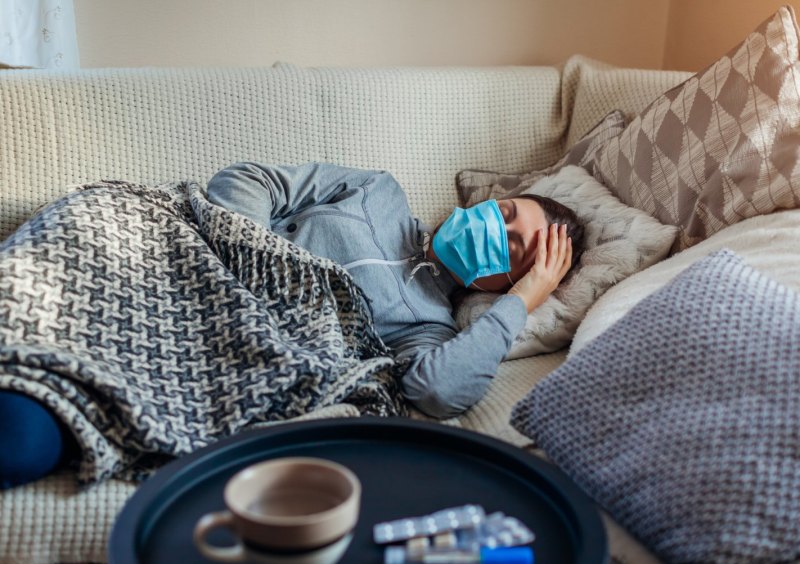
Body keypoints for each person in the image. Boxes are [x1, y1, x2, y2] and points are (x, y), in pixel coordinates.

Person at [0, 161, 584, 489]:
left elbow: (436, 390)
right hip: (176, 257)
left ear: (507, 283)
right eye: (506, 214)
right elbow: (247, 182)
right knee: (81, 233)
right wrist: (260, 255)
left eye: (515, 250)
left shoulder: (427, 327)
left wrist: (526, 301)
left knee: (24, 441)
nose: (495, 232)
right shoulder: (376, 192)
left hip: (210, 346)